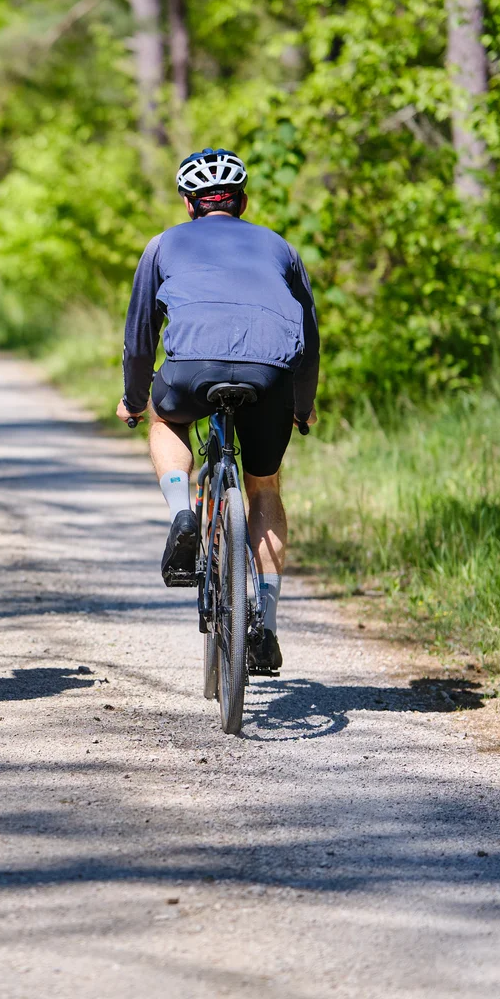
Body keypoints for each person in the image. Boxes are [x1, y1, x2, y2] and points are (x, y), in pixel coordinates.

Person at [116, 148, 319, 675]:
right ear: (243, 201)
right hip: (270, 374)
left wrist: (136, 402)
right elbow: (309, 337)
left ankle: (183, 511)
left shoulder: (162, 245)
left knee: (167, 419)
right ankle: (266, 626)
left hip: (191, 369)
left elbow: (140, 337)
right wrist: (302, 406)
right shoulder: (280, 247)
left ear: (189, 205)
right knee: (265, 487)